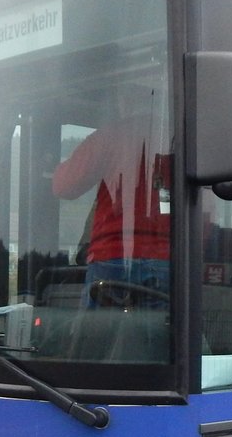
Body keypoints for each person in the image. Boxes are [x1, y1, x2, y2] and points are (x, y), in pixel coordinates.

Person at [52, 88, 172, 310]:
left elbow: (64, 186)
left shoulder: (110, 136)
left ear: (125, 100)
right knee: (161, 329)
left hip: (111, 257)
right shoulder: (176, 139)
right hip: (166, 258)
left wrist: (53, 170)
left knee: (101, 329)